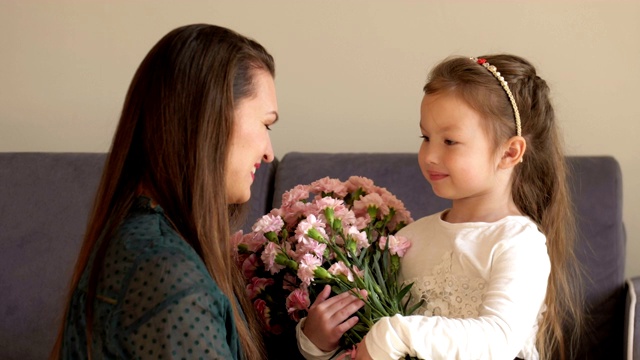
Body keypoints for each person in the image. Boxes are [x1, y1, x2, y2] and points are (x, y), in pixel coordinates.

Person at [297, 54, 583, 360]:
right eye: (426, 137)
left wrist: (394, 334)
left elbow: (499, 339)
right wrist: (316, 343)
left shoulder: (518, 242)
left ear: (509, 152)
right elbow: (367, 348)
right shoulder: (410, 239)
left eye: (449, 141)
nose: (430, 155)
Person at [50, 24, 279, 360]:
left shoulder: (151, 244)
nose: (269, 152)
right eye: (266, 123)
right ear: (210, 117)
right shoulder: (165, 272)